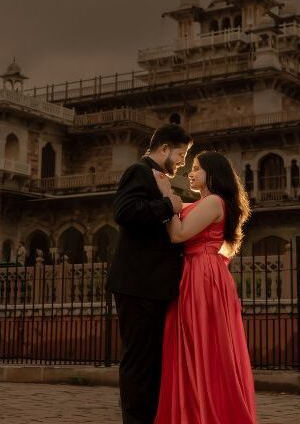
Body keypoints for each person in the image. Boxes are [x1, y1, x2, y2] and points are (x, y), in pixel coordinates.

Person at [152, 151, 256, 424]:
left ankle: (209, 412)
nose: (191, 172)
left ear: (213, 173)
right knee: (193, 344)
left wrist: (167, 197)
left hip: (202, 274)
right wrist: (171, 200)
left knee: (205, 344)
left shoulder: (213, 202)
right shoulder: (202, 203)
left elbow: (179, 234)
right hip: (196, 273)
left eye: (197, 168)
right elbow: (181, 215)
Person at [107, 124, 193, 424]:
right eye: (181, 154)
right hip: (137, 284)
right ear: (165, 148)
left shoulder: (161, 179)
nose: (183, 162)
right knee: (139, 360)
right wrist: (168, 204)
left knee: (153, 360)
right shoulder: (139, 171)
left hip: (153, 286)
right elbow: (124, 211)